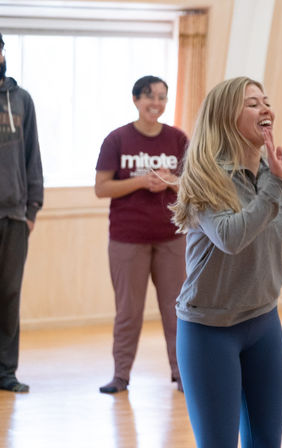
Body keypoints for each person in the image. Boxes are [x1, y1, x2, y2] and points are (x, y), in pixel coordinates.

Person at [170, 77, 282, 448]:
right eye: (253, 104)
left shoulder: (276, 172)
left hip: (263, 323)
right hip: (208, 330)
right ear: (227, 117)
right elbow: (231, 236)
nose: (266, 110)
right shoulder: (204, 175)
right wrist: (274, 186)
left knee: (266, 442)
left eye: (266, 101)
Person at [94, 75, 188, 393]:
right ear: (135, 99)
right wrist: (141, 181)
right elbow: (101, 187)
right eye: (150, 97)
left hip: (171, 236)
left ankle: (181, 374)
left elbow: (192, 184)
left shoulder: (178, 139)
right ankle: (121, 376)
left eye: (162, 97)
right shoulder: (117, 139)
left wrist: (171, 180)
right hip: (127, 238)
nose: (156, 103)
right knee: (128, 312)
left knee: (176, 310)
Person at [0, 32, 43, 393]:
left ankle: (6, 373)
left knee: (9, 296)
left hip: (14, 216)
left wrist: (32, 209)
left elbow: (32, 156)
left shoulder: (20, 100)